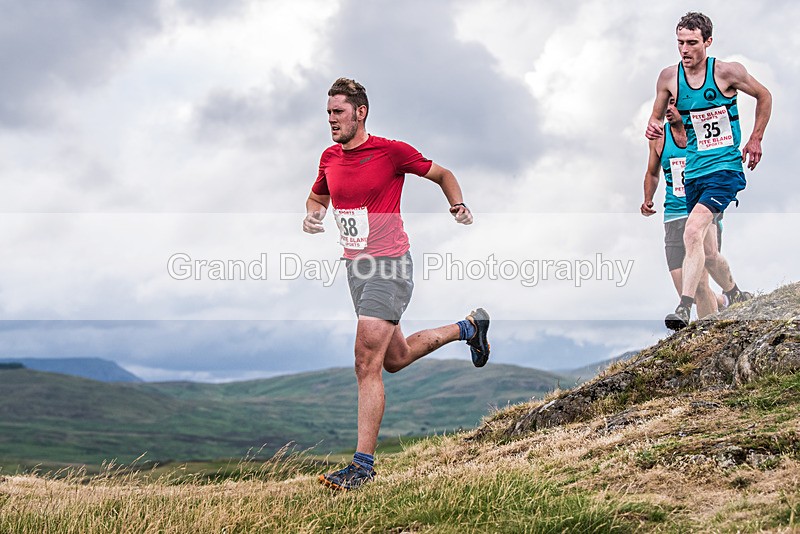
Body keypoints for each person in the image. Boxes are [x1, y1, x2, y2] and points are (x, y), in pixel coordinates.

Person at [303, 78, 490, 491]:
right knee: (395, 358)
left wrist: (456, 204)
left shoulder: (390, 152)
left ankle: (362, 467)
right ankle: (470, 328)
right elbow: (318, 197)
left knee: (364, 361)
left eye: (338, 112)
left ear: (360, 112)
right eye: (328, 113)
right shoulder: (329, 157)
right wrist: (313, 214)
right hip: (356, 270)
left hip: (389, 265)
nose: (331, 120)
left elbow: (443, 173)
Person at [645, 11, 772, 330]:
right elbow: (656, 118)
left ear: (707, 42)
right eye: (679, 43)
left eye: (691, 43)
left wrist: (755, 138)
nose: (684, 50)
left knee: (691, 231)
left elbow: (764, 95)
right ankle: (736, 295)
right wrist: (654, 125)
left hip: (725, 168)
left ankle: (684, 306)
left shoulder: (727, 72)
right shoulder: (668, 78)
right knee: (710, 253)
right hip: (695, 173)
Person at [641, 95, 725, 318]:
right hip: (673, 217)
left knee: (699, 285)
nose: (668, 109)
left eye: (673, 103)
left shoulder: (703, 132)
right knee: (694, 291)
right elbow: (652, 172)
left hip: (701, 213)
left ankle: (708, 337)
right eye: (664, 103)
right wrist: (648, 198)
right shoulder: (659, 138)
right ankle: (722, 300)